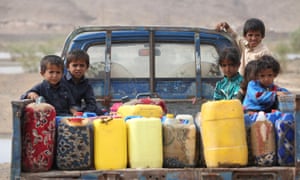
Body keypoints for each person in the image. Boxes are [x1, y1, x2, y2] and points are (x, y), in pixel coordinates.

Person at [62, 49, 103, 115]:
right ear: (68, 67)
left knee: (98, 111)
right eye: (75, 65)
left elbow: (91, 103)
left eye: (82, 65)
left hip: (78, 112)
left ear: (87, 67)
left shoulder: (86, 84)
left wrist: (83, 113)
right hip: (63, 111)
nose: (78, 68)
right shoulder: (61, 81)